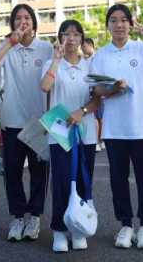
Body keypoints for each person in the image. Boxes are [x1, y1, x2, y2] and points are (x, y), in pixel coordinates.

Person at [89, 4, 143, 249]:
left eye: (124, 20)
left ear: (130, 24)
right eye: (114, 20)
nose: (119, 24)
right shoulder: (101, 55)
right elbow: (96, 89)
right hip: (115, 129)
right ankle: (126, 225)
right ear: (107, 25)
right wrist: (112, 89)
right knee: (118, 179)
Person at [0, 4, 53, 242]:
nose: (23, 22)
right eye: (18, 19)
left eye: (27, 18)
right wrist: (10, 42)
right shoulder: (7, 49)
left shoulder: (46, 49)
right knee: (12, 172)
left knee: (38, 173)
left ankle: (34, 216)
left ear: (34, 23)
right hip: (11, 120)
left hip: (39, 121)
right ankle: (17, 217)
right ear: (13, 24)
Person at [40, 20, 99, 252]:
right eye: (66, 34)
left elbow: (97, 99)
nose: (71, 39)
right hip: (60, 131)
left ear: (82, 39)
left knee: (84, 179)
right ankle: (59, 230)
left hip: (86, 131)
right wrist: (56, 59)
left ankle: (79, 228)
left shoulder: (90, 65)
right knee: (62, 181)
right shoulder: (52, 63)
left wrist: (81, 111)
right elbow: (45, 86)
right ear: (60, 38)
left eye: (76, 35)